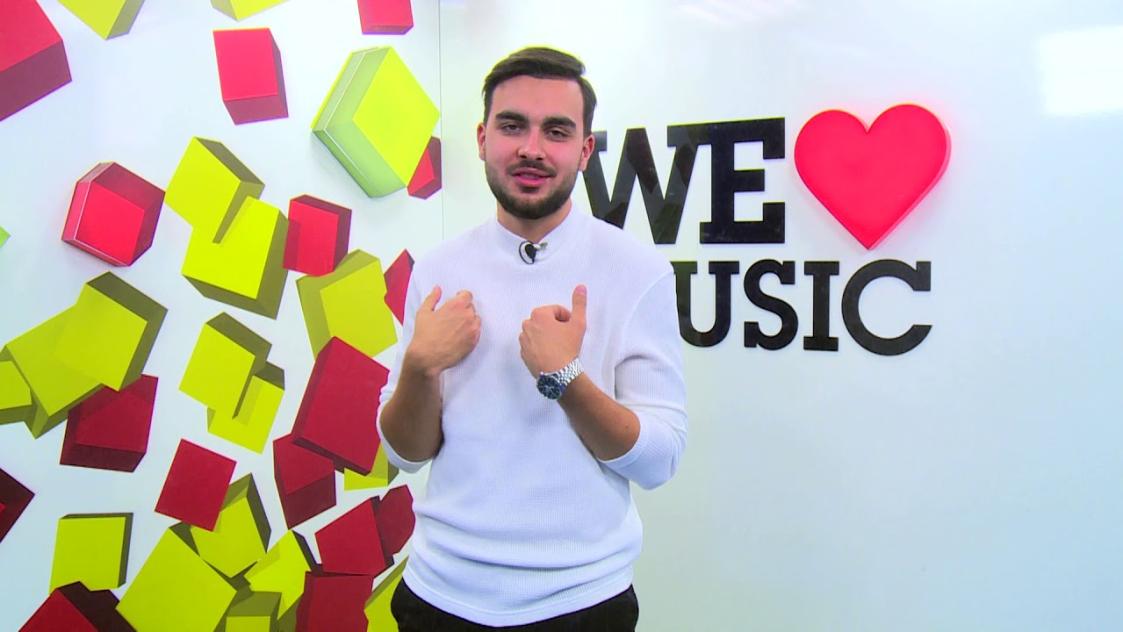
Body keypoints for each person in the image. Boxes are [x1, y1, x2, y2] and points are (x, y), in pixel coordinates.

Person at [378, 46, 688, 630]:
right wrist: (419, 368)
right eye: (512, 126)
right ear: (482, 138)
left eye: (557, 131)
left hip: (581, 602)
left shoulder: (636, 270)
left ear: (585, 150)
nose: (532, 148)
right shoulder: (437, 268)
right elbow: (405, 454)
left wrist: (566, 379)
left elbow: (659, 460)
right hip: (438, 595)